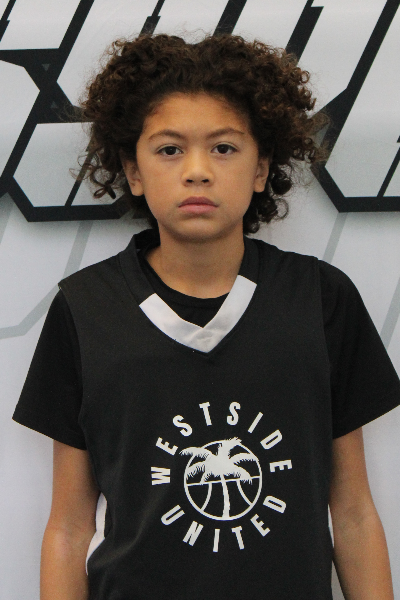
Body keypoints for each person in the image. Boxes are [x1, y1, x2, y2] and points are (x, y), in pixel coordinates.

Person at [12, 33, 400, 600]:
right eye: (170, 149)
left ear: (261, 168)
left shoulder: (321, 299)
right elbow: (69, 529)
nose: (197, 170)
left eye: (223, 148)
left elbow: (354, 511)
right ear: (133, 170)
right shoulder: (84, 308)